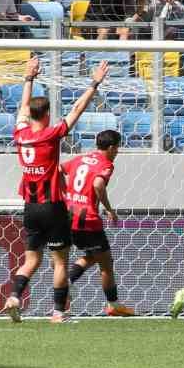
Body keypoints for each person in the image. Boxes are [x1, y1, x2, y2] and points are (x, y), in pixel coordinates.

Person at [3, 56, 105, 323]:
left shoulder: (20, 134)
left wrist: (28, 77)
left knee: (31, 260)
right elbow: (77, 110)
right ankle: (58, 312)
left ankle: (14, 296)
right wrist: (94, 83)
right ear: (47, 114)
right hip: (53, 207)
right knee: (60, 261)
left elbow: (23, 107)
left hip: (30, 207)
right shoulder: (50, 134)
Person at [61, 129, 133, 318]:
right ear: (110, 148)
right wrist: (109, 209)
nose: (118, 152)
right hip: (89, 218)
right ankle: (113, 305)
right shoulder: (106, 164)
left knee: (95, 255)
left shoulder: (80, 158)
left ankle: (67, 280)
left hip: (69, 216)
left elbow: (59, 170)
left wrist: (64, 195)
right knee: (106, 264)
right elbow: (98, 185)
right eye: (117, 148)